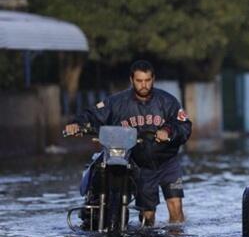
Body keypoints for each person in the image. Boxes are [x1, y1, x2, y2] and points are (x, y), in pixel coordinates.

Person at [64, 60, 192, 226]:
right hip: (140, 164)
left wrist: (168, 132)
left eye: (147, 80)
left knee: (176, 207)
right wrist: (77, 123)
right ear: (131, 80)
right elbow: (92, 114)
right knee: (148, 216)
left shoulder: (168, 101)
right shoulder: (116, 102)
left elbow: (185, 125)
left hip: (168, 162)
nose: (143, 85)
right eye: (139, 81)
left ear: (153, 79)